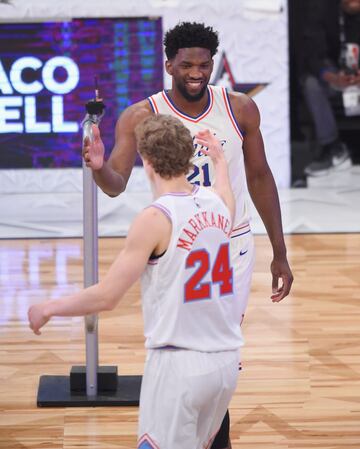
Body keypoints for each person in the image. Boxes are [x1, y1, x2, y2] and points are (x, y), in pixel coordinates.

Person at [83, 22, 294, 449]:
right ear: (168, 66)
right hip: (174, 243)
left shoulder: (239, 108)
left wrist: (280, 252)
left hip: (229, 242)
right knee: (181, 345)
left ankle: (214, 438)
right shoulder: (142, 114)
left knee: (220, 350)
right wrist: (98, 165)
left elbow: (259, 176)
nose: (197, 72)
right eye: (187, 65)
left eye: (204, 64)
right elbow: (116, 183)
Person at [29, 114, 244, 449]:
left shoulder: (156, 218)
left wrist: (49, 307)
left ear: (147, 160)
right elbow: (226, 193)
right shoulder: (217, 204)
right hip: (226, 363)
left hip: (180, 364)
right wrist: (218, 159)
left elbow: (107, 296)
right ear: (188, 157)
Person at [302, 0, 360, 176]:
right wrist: (333, 77)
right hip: (337, 77)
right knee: (311, 84)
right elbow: (312, 55)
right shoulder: (324, 11)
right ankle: (333, 148)